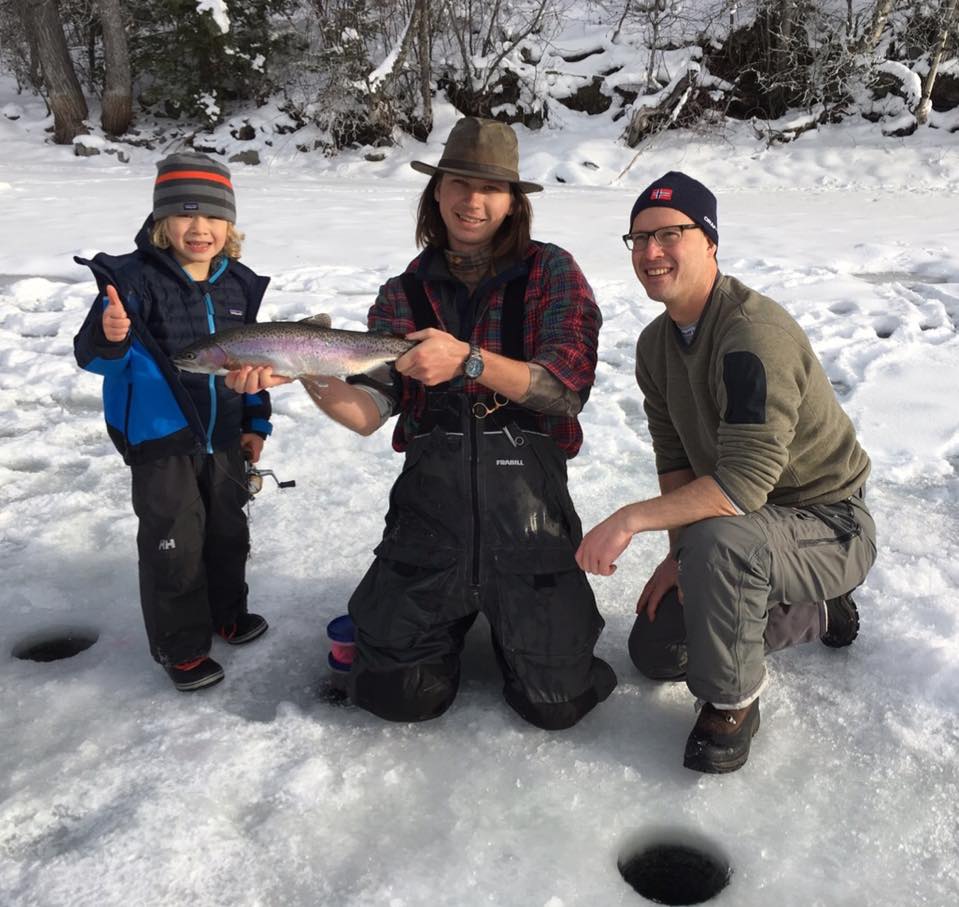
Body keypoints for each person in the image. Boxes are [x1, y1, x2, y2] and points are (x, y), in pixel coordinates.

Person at [229, 117, 616, 728]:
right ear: (436, 192)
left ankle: (511, 617)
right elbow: (367, 413)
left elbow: (563, 392)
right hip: (429, 520)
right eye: (458, 182)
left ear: (513, 203)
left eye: (491, 188)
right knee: (397, 696)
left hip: (530, 519)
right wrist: (306, 368)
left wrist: (470, 360)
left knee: (558, 703)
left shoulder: (551, 273)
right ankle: (450, 615)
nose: (472, 200)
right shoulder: (401, 293)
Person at [575, 171, 876, 773]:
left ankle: (733, 702)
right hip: (746, 525)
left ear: (709, 241)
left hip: (828, 521)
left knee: (719, 543)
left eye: (668, 234)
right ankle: (803, 605)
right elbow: (676, 459)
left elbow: (741, 486)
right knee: (658, 652)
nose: (650, 252)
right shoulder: (655, 346)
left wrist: (632, 520)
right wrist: (675, 555)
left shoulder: (750, 336)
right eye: (637, 239)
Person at [74, 152, 273, 692]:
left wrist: (255, 423)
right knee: (174, 543)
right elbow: (93, 358)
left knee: (229, 532)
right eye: (185, 215)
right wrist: (110, 335)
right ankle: (181, 647)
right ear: (163, 220)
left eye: (211, 216)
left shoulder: (238, 285)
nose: (199, 228)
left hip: (227, 435)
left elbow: (253, 362)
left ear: (229, 224)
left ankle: (227, 612)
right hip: (160, 440)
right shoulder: (132, 283)